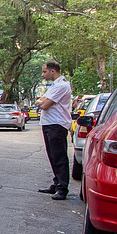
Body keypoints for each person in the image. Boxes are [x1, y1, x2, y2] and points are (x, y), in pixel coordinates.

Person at [35, 60, 72, 200]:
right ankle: (57, 184)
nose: (43, 75)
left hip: (56, 124)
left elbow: (44, 104)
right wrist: (41, 101)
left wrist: (41, 102)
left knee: (59, 156)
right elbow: (41, 100)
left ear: (53, 71)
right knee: (52, 155)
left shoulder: (62, 85)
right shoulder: (53, 86)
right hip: (49, 124)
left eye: (45, 71)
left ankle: (63, 187)